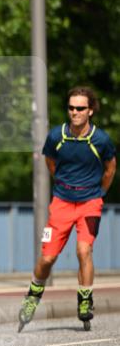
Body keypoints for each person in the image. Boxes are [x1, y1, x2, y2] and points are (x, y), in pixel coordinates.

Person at [18, 86, 116, 330]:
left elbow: (110, 168)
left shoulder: (101, 140)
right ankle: (32, 296)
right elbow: (50, 161)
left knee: (84, 251)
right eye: (71, 108)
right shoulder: (56, 136)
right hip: (61, 202)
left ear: (90, 111)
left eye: (80, 108)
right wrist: (63, 184)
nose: (75, 112)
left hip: (90, 202)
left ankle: (85, 300)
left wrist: (100, 193)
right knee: (47, 257)